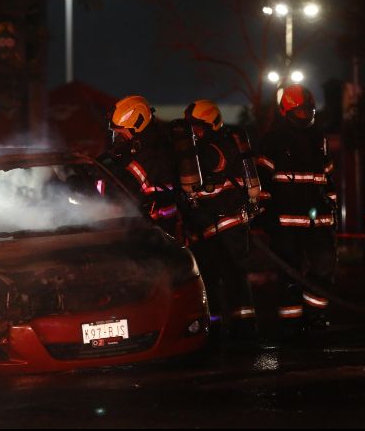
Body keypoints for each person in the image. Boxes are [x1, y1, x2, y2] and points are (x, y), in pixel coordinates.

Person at [256, 84, 338, 337]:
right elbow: (263, 180)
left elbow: (327, 176)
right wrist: (266, 215)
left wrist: (332, 204)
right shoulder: (273, 140)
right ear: (287, 111)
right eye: (301, 112)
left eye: (309, 111)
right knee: (288, 275)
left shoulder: (318, 137)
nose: (306, 116)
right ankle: (291, 323)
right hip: (286, 222)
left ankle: (315, 315)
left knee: (324, 268)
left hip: (318, 221)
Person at [181, 99, 261, 341]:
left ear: (209, 125)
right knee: (221, 278)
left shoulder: (211, 149)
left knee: (229, 278)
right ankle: (231, 330)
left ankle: (239, 332)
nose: (193, 132)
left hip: (224, 224)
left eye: (197, 127)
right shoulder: (226, 144)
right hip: (218, 225)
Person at [99, 95, 181, 239]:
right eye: (114, 134)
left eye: (120, 134)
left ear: (136, 126)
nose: (116, 140)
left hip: (157, 234)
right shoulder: (144, 149)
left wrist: (89, 184)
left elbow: (120, 190)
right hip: (153, 230)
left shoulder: (149, 154)